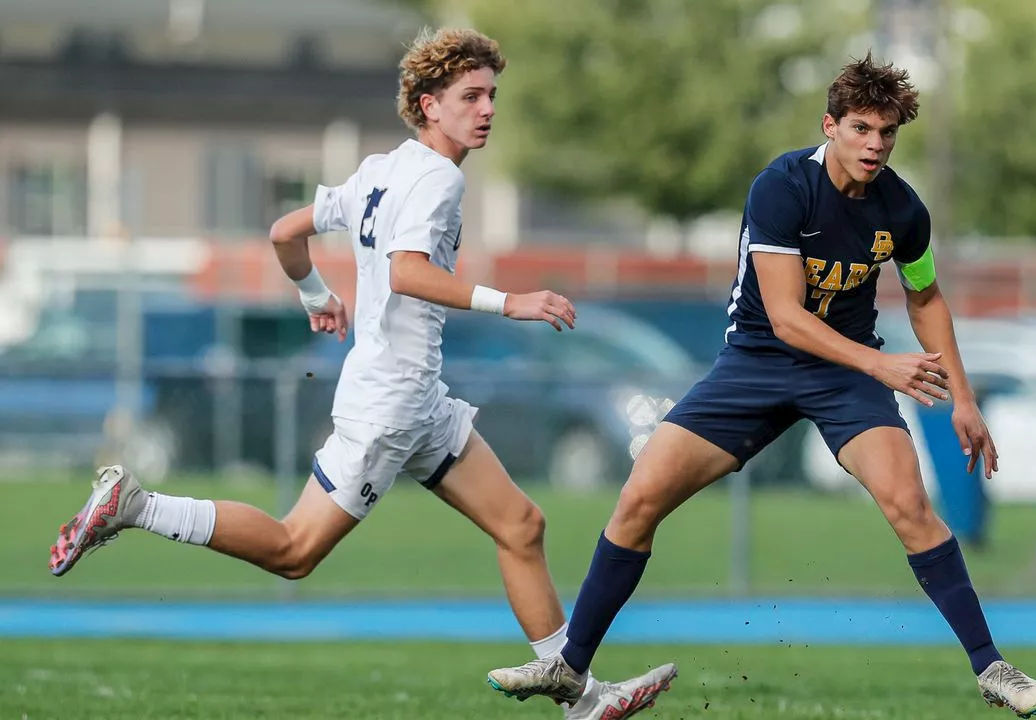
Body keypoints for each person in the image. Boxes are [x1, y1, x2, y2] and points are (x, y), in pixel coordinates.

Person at [47, 27, 676, 720]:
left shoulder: (380, 167)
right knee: (294, 550)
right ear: (429, 105)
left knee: (522, 525)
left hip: (414, 395)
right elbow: (408, 273)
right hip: (392, 404)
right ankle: (137, 506)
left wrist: (316, 295)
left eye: (492, 95)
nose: (488, 108)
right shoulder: (437, 179)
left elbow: (285, 233)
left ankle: (578, 698)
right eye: (471, 96)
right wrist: (512, 302)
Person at [486, 53, 1036, 718]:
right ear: (830, 125)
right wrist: (883, 365)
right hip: (757, 362)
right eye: (862, 128)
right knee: (639, 499)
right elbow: (785, 318)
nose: (875, 144)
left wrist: (962, 396)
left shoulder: (903, 209)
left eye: (888, 132)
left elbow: (925, 297)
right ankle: (569, 665)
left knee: (908, 504)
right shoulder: (782, 187)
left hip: (843, 374)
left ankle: (992, 667)